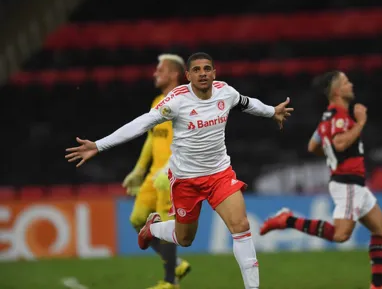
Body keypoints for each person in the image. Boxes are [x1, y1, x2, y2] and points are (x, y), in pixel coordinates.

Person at [65, 52, 293, 289]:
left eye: (207, 69)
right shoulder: (177, 100)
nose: (202, 73)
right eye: (197, 70)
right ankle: (151, 229)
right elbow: (141, 124)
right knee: (185, 239)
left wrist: (271, 111)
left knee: (241, 226)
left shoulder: (226, 92)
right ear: (188, 75)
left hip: (220, 174)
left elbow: (247, 103)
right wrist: (99, 145)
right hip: (186, 180)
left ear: (214, 73)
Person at [259, 71, 382, 289]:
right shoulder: (341, 118)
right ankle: (287, 220)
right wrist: (361, 122)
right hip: (348, 182)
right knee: (341, 235)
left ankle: (378, 285)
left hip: (353, 182)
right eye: (346, 82)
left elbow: (313, 146)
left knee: (380, 229)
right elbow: (340, 144)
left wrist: (332, 155)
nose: (351, 84)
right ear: (336, 91)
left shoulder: (327, 118)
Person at [122, 54, 190, 289]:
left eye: (159, 70)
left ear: (173, 74)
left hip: (172, 174)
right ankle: (177, 264)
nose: (154, 73)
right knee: (138, 219)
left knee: (166, 225)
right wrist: (138, 171)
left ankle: (170, 281)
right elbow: (152, 139)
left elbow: (187, 141)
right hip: (154, 174)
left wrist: (170, 168)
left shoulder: (184, 102)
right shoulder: (156, 102)